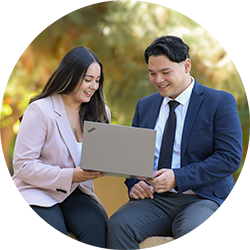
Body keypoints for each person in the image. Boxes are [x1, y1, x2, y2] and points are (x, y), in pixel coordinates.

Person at [106, 35, 243, 250]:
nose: (158, 80)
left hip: (201, 198)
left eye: (165, 72)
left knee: (195, 234)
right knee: (118, 225)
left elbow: (229, 158)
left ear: (186, 65)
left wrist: (177, 177)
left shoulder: (219, 102)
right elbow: (133, 160)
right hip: (155, 200)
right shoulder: (145, 106)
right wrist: (135, 184)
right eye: (152, 73)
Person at [12, 46, 110, 250]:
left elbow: (103, 158)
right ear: (70, 75)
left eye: (97, 80)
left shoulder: (100, 112)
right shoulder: (40, 110)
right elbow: (23, 166)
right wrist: (71, 175)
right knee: (52, 233)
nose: (93, 86)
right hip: (38, 190)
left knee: (96, 227)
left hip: (76, 192)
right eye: (87, 79)